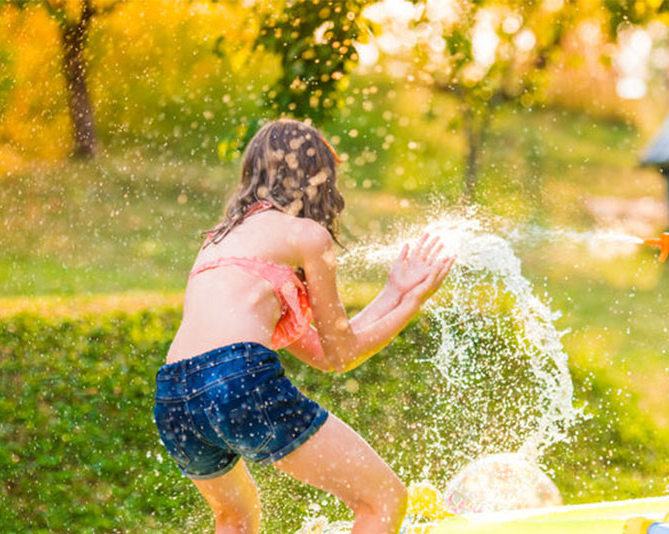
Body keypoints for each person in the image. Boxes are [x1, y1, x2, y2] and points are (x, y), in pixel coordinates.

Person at [153, 118, 455, 534]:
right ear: (317, 180)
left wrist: (393, 292)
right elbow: (342, 356)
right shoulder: (307, 235)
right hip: (237, 378)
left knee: (235, 518)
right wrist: (414, 301)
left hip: (174, 397)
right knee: (383, 500)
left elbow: (323, 347)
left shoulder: (218, 240)